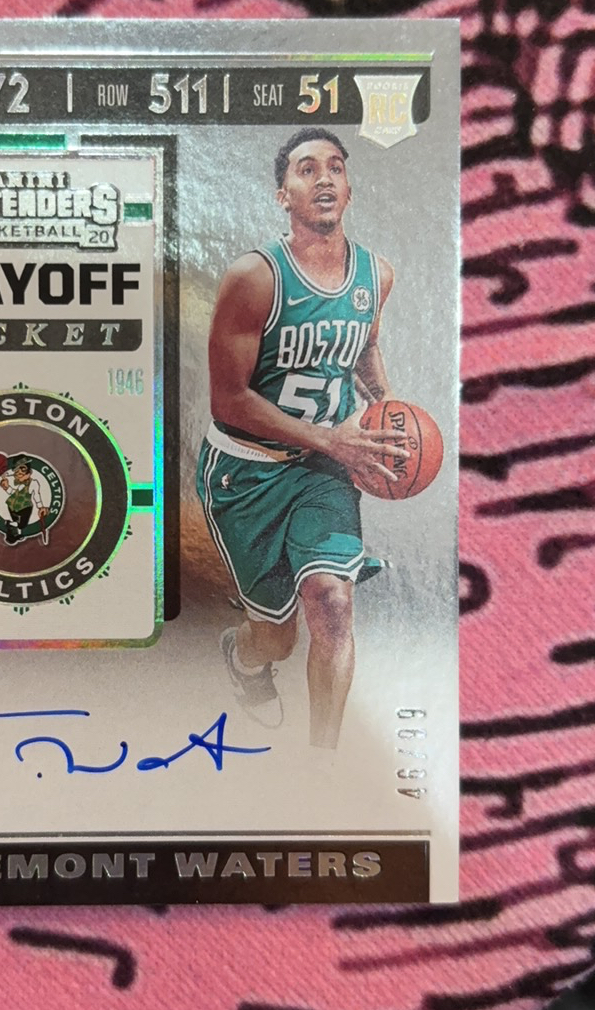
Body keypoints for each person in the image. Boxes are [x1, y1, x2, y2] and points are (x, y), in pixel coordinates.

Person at [196, 127, 407, 748]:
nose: (323, 178)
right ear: (282, 195)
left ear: (349, 188)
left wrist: (387, 407)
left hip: (323, 473)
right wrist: (330, 439)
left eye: (335, 167)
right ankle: (244, 656)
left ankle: (324, 768)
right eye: (306, 169)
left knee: (334, 606)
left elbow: (362, 345)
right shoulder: (254, 277)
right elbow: (229, 399)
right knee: (277, 637)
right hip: (246, 472)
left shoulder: (375, 275)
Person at [0, 458, 48, 545]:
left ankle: (10, 526)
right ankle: (14, 533)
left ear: (29, 472)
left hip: (25, 506)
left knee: (22, 524)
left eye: (22, 471)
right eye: (16, 472)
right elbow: (13, 492)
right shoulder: (19, 483)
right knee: (18, 524)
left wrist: (41, 507)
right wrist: (6, 487)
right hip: (12, 505)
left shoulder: (33, 483)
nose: (18, 474)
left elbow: (36, 495)